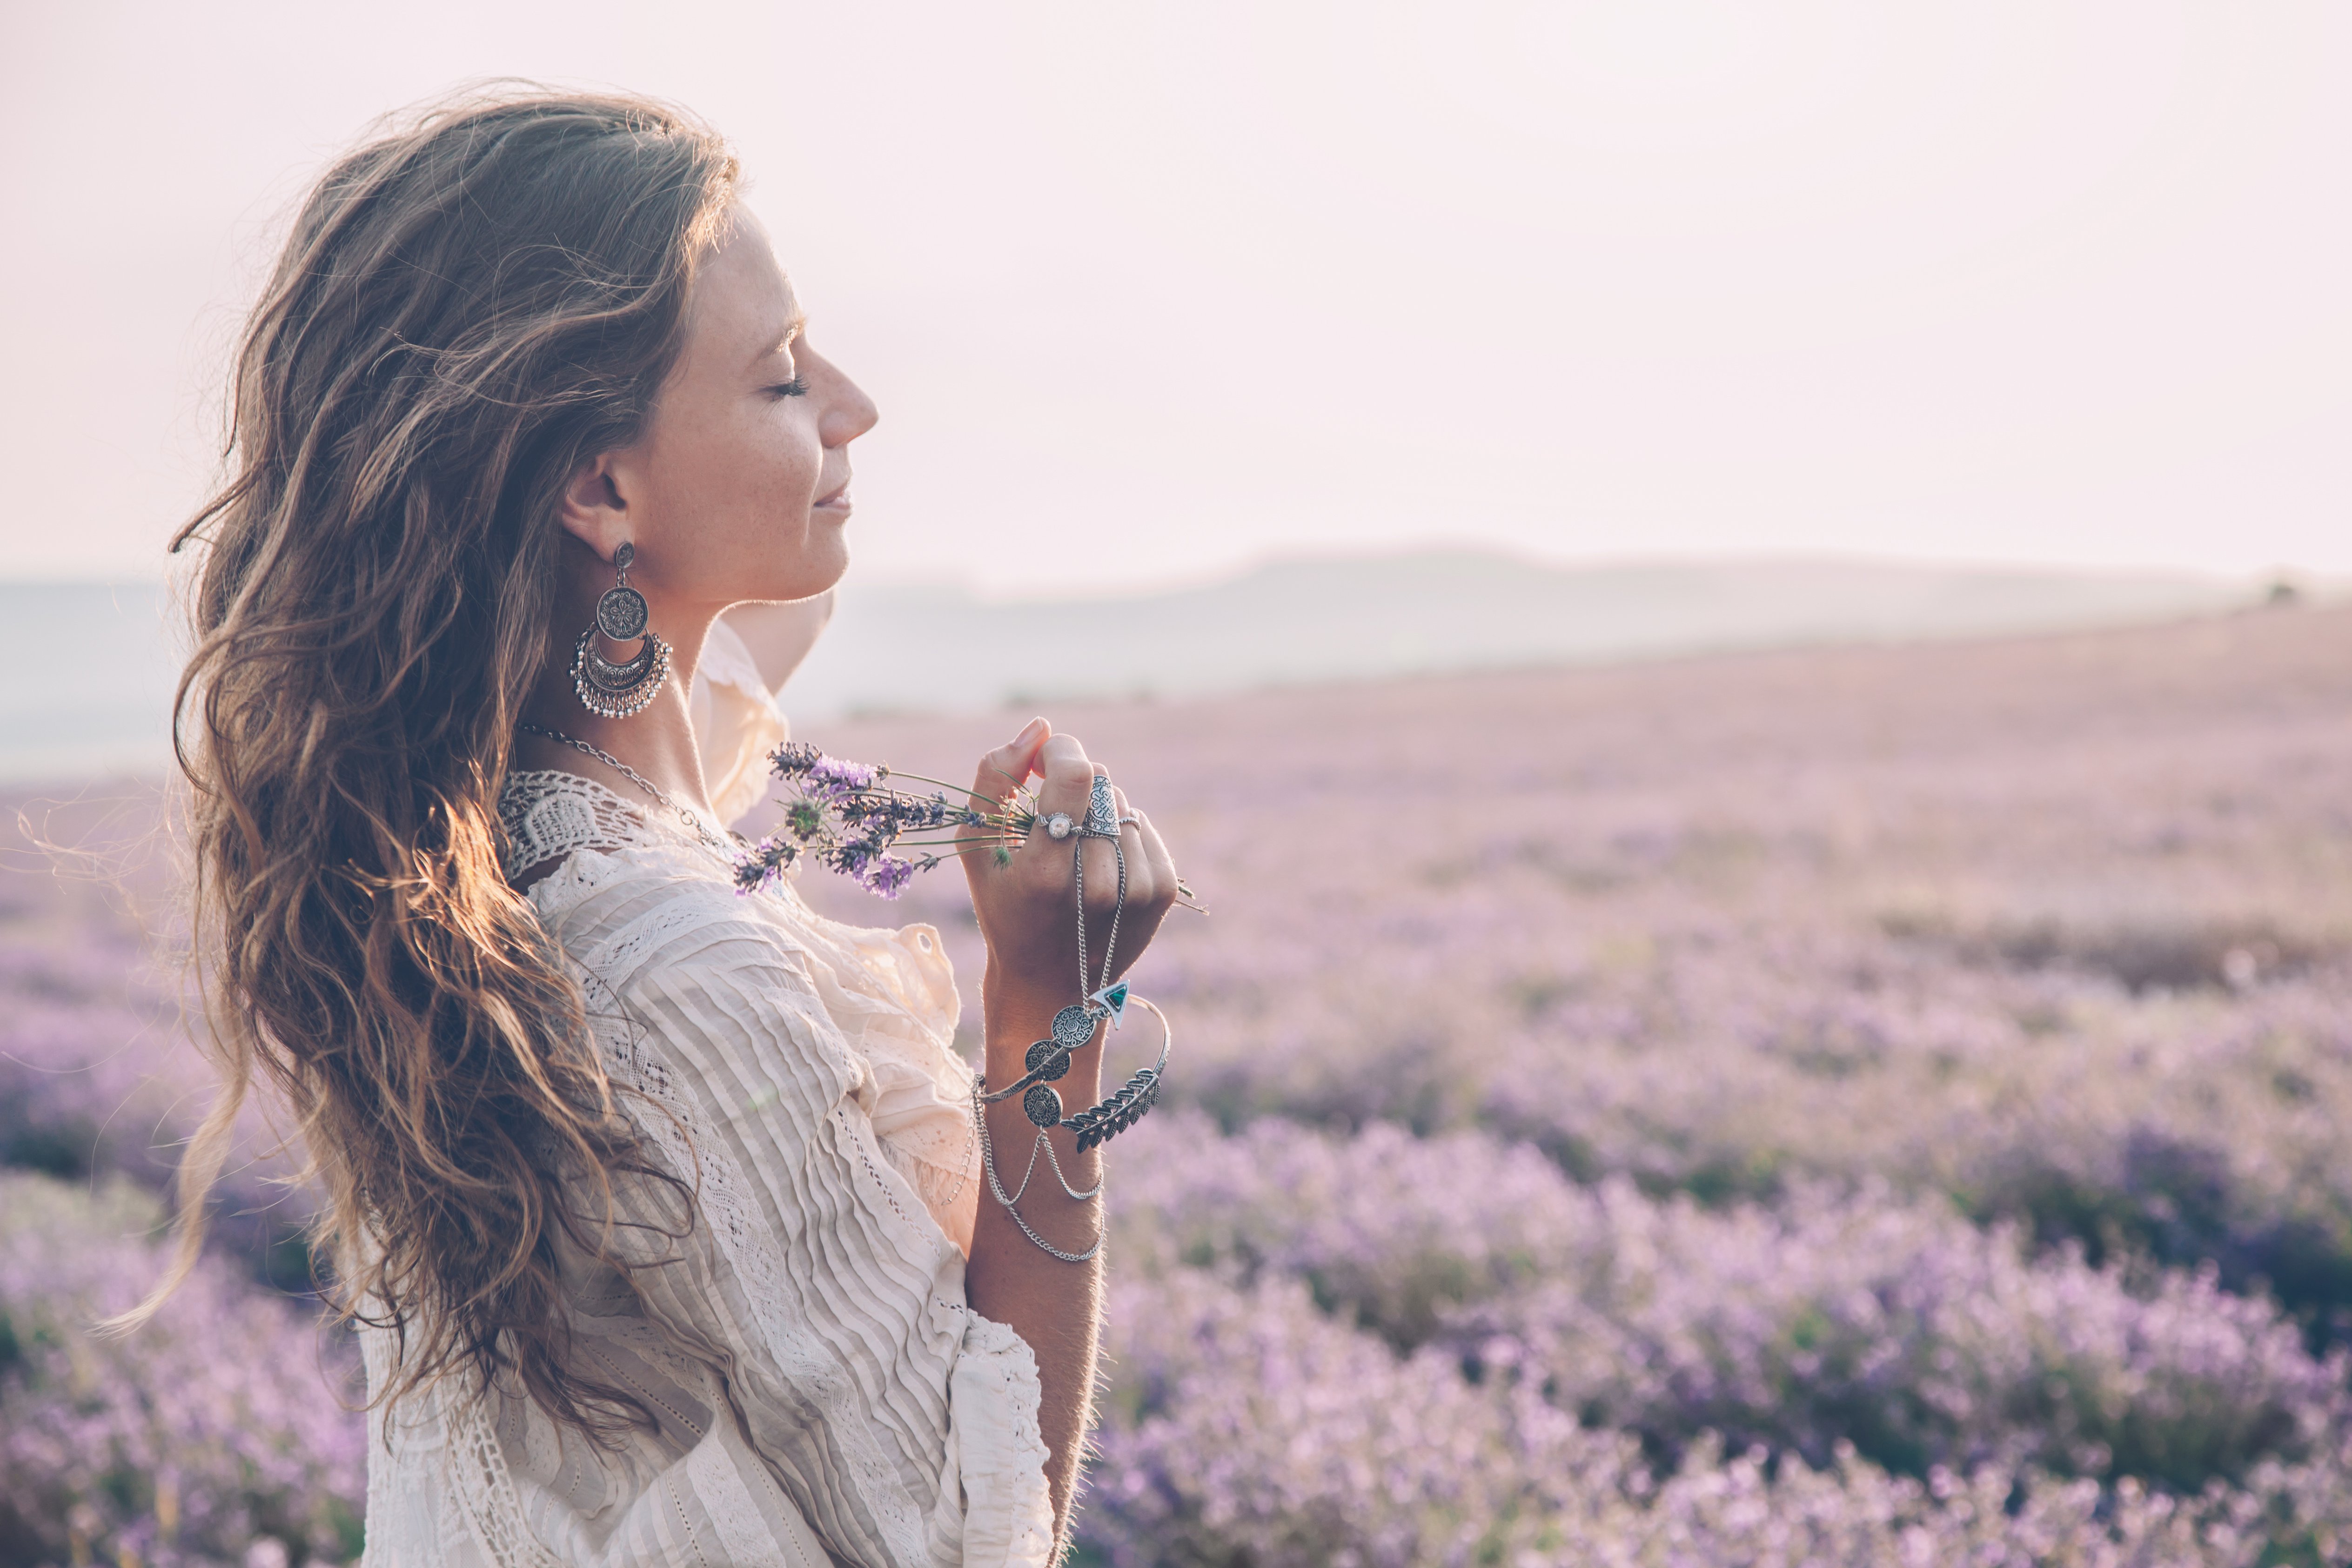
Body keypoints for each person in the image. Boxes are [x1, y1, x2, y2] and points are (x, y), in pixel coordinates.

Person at [156, 89, 1179, 1566]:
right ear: (598, 485)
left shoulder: (493, 831)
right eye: (781, 380)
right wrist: (1050, 1012)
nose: (853, 405)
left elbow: (730, 629)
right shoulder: (686, 976)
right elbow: (962, 1533)